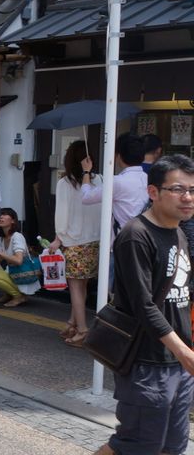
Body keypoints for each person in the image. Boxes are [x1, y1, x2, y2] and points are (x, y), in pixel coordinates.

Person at [95, 155, 194, 455]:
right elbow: (144, 305)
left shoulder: (178, 231)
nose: (187, 197)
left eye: (192, 190)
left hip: (179, 363)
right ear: (153, 192)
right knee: (135, 445)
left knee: (172, 446)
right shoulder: (135, 236)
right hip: (146, 362)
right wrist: (183, 352)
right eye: (178, 189)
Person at [48, 140, 102, 348]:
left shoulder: (65, 183)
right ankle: (73, 322)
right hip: (94, 240)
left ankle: (82, 330)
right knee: (83, 285)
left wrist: (58, 238)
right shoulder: (100, 180)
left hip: (74, 241)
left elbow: (61, 214)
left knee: (75, 288)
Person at [80, 133, 150, 288]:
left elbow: (86, 197)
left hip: (121, 245)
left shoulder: (117, 182)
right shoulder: (148, 179)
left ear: (118, 156)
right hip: (145, 244)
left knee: (114, 294)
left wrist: (86, 172)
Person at [0, 208, 32, 307]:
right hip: (14, 274)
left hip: (23, 276)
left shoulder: (17, 236)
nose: (0, 217)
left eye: (4, 215)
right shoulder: (3, 239)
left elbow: (19, 260)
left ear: (13, 221)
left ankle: (19, 296)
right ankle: (9, 293)